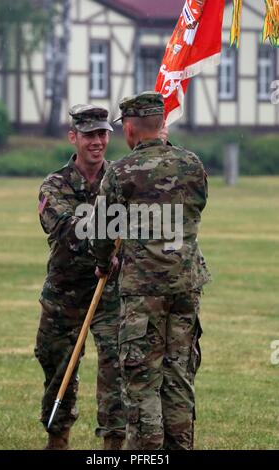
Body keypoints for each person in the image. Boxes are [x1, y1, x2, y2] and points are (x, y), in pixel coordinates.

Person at [93, 91, 211, 450]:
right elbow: (197, 205)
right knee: (178, 376)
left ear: (129, 128)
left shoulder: (120, 172)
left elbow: (102, 231)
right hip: (186, 287)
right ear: (162, 124)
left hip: (144, 293)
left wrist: (104, 263)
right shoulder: (192, 164)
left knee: (142, 379)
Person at [34, 105, 125, 450]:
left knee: (116, 367)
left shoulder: (120, 178)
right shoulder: (55, 185)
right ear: (74, 137)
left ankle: (114, 446)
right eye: (89, 135)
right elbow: (67, 230)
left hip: (110, 293)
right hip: (66, 295)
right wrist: (110, 226)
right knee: (58, 368)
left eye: (103, 134)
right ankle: (58, 439)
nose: (98, 141)